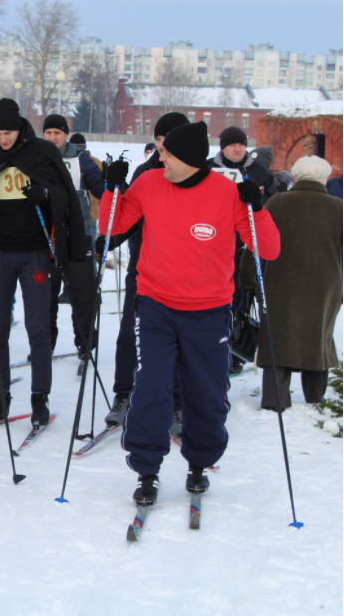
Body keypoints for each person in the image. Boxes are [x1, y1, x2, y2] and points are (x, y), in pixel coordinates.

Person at [100, 121, 280, 506]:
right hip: (156, 306)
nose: (158, 154)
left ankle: (199, 463)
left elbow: (269, 249)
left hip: (210, 310)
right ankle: (147, 469)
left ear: (186, 159)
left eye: (166, 152)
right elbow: (110, 227)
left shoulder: (226, 193)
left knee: (207, 393)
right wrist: (111, 190)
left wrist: (257, 208)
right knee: (151, 389)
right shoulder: (148, 184)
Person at [0, 99, 87, 427]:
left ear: (20, 128)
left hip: (35, 252)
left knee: (38, 328)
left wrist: (44, 195)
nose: (3, 139)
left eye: (8, 133)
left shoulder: (42, 152)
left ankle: (39, 399)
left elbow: (65, 196)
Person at [103, 112, 189, 428]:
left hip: (183, 274)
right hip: (144, 269)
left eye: (166, 142)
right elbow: (124, 221)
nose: (161, 149)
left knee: (179, 342)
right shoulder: (146, 171)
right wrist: (107, 238)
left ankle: (178, 402)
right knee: (129, 334)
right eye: (158, 142)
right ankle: (124, 394)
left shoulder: (196, 174)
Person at [239, 156, 341, 410]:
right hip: (325, 284)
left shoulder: (277, 202)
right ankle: (315, 400)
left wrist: (247, 279)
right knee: (318, 337)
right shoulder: (338, 207)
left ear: (295, 176)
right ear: (324, 178)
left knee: (278, 338)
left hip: (279, 281)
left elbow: (256, 240)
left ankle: (275, 401)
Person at [210, 126, 277, 376]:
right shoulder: (209, 168)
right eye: (232, 144)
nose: (237, 148)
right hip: (213, 242)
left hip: (245, 245)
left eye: (241, 144)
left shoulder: (259, 171)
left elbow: (273, 201)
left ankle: (236, 350)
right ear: (223, 147)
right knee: (215, 297)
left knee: (240, 297)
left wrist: (258, 205)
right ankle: (212, 346)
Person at [42, 113, 103, 365]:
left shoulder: (81, 158)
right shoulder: (37, 157)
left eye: (58, 133)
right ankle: (45, 344)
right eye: (48, 133)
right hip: (47, 237)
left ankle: (86, 342)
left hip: (79, 236)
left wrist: (110, 181)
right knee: (46, 296)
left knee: (83, 295)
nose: (53, 137)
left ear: (66, 134)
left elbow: (99, 188)